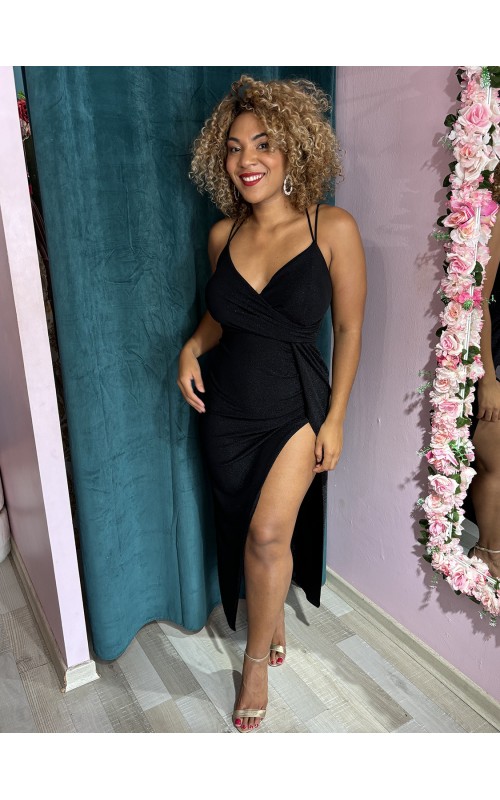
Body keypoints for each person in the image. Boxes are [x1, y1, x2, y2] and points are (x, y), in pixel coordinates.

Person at [177, 75, 366, 732]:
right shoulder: (221, 236)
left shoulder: (331, 226)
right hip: (227, 408)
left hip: (296, 406)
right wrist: (190, 348)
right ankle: (270, 613)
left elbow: (348, 330)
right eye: (234, 147)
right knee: (249, 530)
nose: (246, 159)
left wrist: (336, 418)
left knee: (266, 534)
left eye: (262, 144)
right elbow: (223, 316)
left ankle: (254, 661)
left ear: (293, 150)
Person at [466, 163, 500, 579]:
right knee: (494, 459)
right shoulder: (495, 216)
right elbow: (480, 302)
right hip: (495, 356)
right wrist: (488, 378)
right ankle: (489, 551)